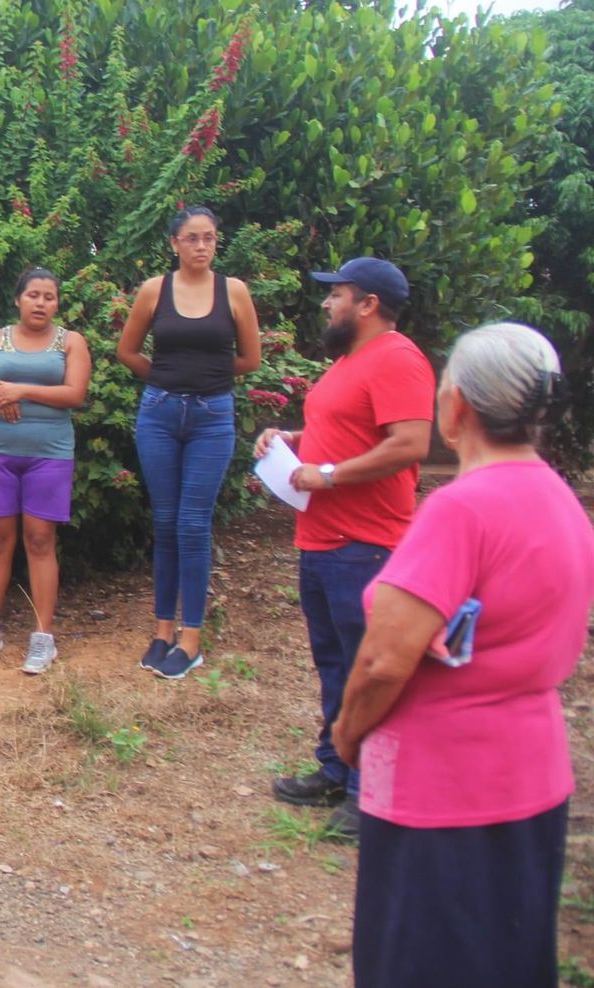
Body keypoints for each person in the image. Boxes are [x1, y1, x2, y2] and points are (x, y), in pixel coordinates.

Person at [330, 323, 594, 987]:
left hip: (441, 791)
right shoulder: (562, 501)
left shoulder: (460, 510)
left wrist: (347, 731)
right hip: (533, 776)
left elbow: (386, 660)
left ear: (458, 408)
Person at [253, 256, 433, 841]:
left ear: (368, 304)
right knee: (336, 664)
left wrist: (326, 475)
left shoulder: (398, 359)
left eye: (337, 295)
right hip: (323, 540)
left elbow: (409, 444)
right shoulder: (352, 362)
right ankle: (338, 768)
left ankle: (371, 793)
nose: (327, 304)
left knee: (368, 668)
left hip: (366, 543)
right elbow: (350, 430)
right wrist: (292, 439)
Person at [115, 207, 261, 678]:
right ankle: (162, 632)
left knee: (193, 524)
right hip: (159, 414)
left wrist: (207, 379)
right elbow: (127, 350)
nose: (202, 246)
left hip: (212, 417)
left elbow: (251, 358)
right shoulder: (154, 290)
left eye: (210, 238)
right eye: (192, 238)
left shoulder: (233, 291)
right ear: (174, 243)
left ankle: (191, 637)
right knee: (166, 521)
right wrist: (164, 380)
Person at [0, 267, 93, 675]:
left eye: (49, 296)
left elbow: (74, 394)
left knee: (40, 539)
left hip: (50, 452)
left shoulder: (71, 342)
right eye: (34, 295)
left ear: (57, 303)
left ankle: (43, 637)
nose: (41, 303)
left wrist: (21, 389)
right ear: (18, 299)